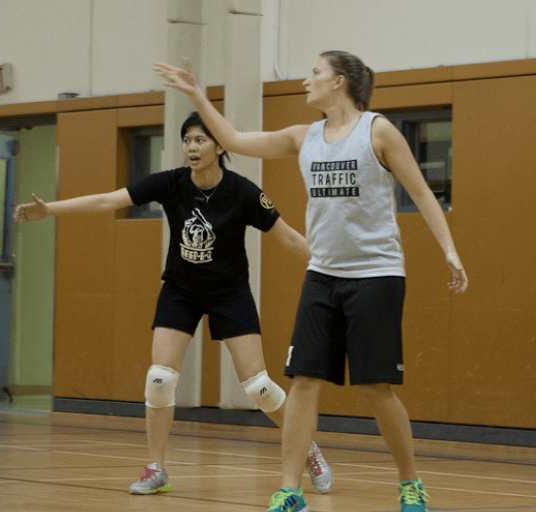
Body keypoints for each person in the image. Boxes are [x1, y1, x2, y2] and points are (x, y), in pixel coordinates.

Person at [156, 51, 468, 512]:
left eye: (315, 73)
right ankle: (290, 489)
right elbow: (235, 140)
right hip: (322, 274)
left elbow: (421, 191)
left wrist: (449, 249)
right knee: (303, 381)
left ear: (339, 82)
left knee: (375, 389)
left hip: (376, 274)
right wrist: (198, 95)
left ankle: (410, 483)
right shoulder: (304, 137)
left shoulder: (377, 131)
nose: (307, 80)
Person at [14, 111, 333, 495]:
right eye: (187, 141)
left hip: (230, 293)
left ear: (219, 146)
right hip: (180, 290)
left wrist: (333, 268)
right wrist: (51, 209)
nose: (192, 147)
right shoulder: (171, 183)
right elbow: (106, 200)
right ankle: (157, 469)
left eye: (200, 140)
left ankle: (308, 448)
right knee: (160, 379)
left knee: (258, 387)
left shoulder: (244, 192)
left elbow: (288, 237)